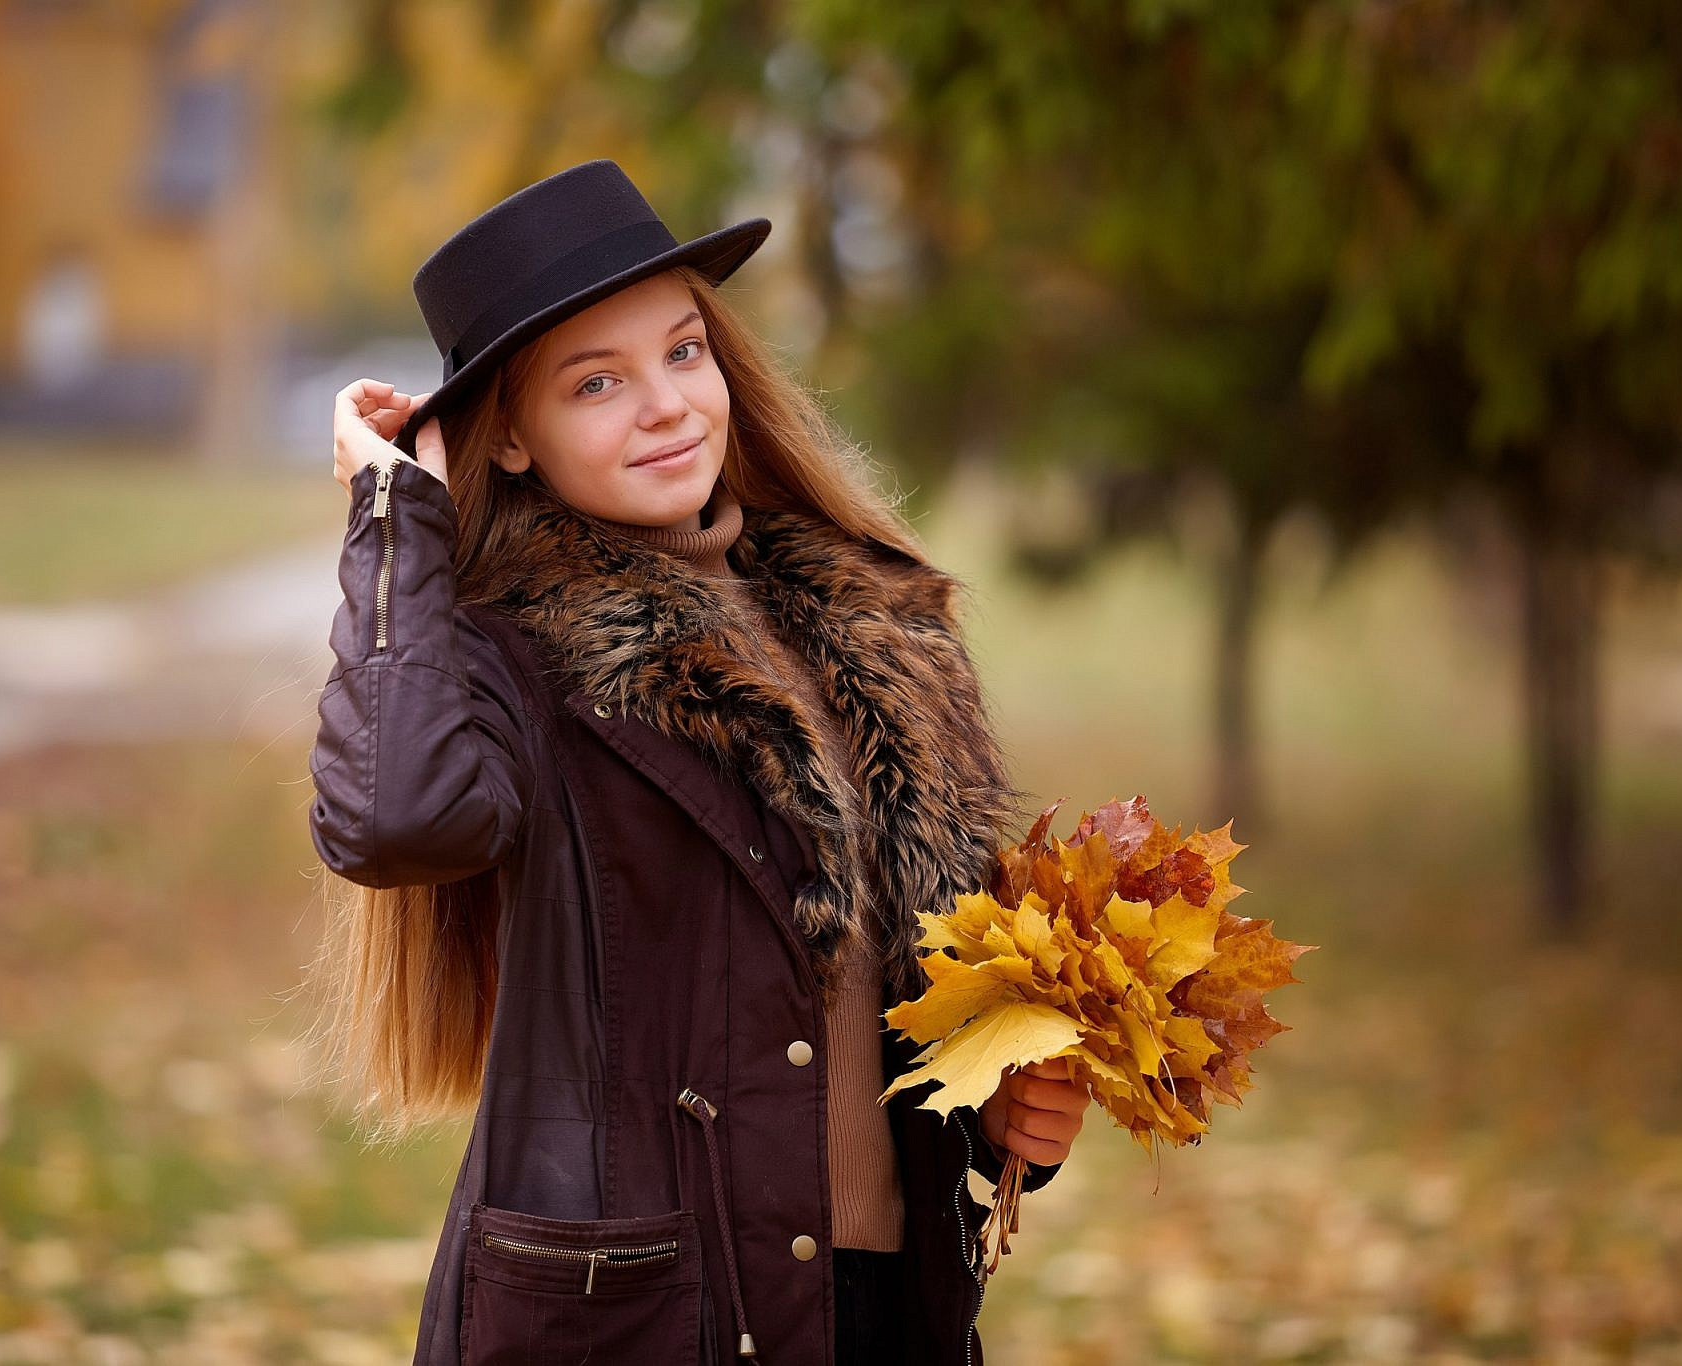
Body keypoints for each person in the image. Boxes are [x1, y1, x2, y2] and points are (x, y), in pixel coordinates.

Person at [303, 160, 1091, 1366]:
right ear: (508, 437)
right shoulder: (511, 665)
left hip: (882, 1314)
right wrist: (390, 517)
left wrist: (999, 1102)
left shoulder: (872, 624)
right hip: (636, 1324)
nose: (667, 405)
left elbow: (894, 1000)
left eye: (682, 352)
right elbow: (394, 821)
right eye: (596, 382)